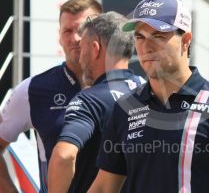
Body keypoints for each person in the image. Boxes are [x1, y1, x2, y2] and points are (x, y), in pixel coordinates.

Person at [89, 0, 209, 193]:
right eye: (140, 37)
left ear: (186, 40)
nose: (146, 47)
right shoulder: (124, 108)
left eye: (158, 36)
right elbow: (103, 187)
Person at [0, 0, 102, 192]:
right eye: (67, 31)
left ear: (102, 33)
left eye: (82, 30)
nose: (75, 38)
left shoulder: (130, 87)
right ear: (60, 37)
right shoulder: (32, 90)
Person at [48, 11, 145, 193]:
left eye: (82, 48)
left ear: (95, 48)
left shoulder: (89, 100)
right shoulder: (151, 93)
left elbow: (64, 156)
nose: (80, 58)